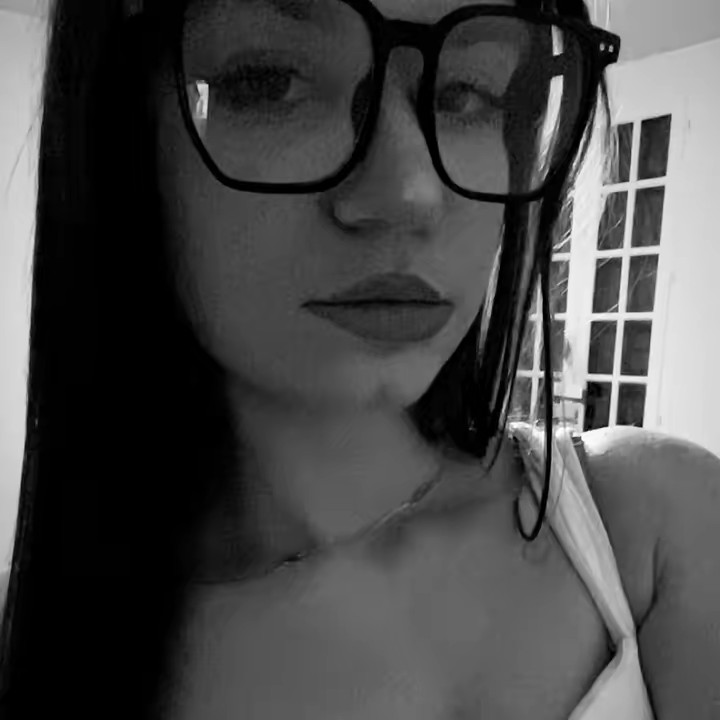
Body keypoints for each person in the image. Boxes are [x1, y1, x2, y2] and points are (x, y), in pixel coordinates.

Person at [0, 0, 719, 718]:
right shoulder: (71, 655)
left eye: (465, 94)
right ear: (120, 133)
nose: (411, 192)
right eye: (269, 80)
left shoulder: (655, 529)